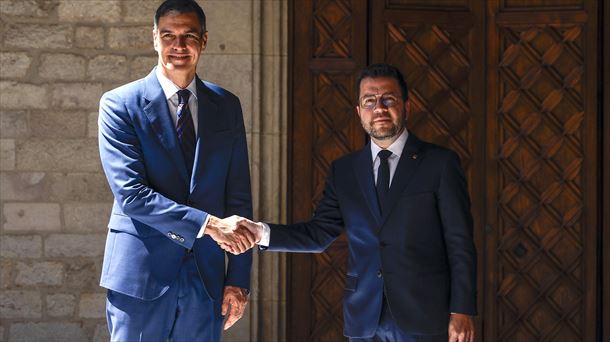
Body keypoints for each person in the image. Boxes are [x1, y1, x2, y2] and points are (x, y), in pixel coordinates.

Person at [228, 64, 477, 342]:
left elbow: (460, 243)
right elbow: (319, 234)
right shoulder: (344, 171)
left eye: (389, 99)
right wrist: (261, 232)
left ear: (407, 105)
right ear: (359, 112)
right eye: (369, 101)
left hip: (424, 315)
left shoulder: (440, 164)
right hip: (364, 319)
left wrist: (462, 309)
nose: (379, 108)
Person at [97, 0, 253, 340]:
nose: (178, 46)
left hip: (206, 278)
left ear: (204, 40)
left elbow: (238, 196)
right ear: (154, 38)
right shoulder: (119, 104)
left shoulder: (227, 106)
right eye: (168, 35)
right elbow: (132, 196)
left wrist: (238, 278)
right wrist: (208, 225)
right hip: (142, 275)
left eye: (188, 35)